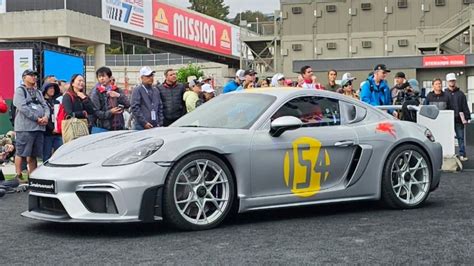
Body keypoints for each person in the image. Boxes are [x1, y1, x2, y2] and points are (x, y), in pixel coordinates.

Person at [13, 69, 49, 183]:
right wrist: (36, 118)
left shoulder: (38, 92)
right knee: (21, 153)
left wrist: (46, 117)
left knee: (33, 155)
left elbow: (45, 106)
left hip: (38, 128)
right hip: (25, 128)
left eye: (35, 75)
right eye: (31, 75)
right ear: (24, 77)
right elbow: (22, 107)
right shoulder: (20, 90)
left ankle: (33, 177)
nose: (34, 77)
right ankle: (19, 176)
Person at [90, 67, 130, 131]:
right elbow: (95, 112)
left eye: (103, 76)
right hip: (104, 128)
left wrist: (118, 95)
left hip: (119, 127)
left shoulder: (117, 90)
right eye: (99, 77)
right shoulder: (95, 92)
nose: (101, 78)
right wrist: (110, 112)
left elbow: (128, 104)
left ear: (110, 77)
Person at [445, 73, 470, 161]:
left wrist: (467, 117)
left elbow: (465, 106)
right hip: (447, 120)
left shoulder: (461, 94)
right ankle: (448, 154)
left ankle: (462, 154)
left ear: (455, 81)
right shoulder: (444, 94)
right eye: (450, 81)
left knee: (460, 137)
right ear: (448, 82)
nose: (452, 82)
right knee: (448, 137)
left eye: (453, 80)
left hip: (459, 119)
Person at [41, 82, 62, 161]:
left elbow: (60, 116)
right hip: (47, 133)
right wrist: (51, 128)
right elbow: (43, 116)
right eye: (50, 88)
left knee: (60, 153)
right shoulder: (42, 102)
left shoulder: (57, 102)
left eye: (53, 88)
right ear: (45, 90)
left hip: (58, 132)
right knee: (46, 155)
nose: (52, 90)